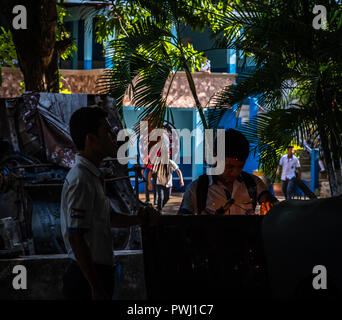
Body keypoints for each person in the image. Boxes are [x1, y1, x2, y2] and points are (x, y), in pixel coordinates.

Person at [60, 107, 157, 300]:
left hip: (96, 274)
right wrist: (95, 286)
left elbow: (107, 218)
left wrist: (137, 219)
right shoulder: (82, 179)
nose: (114, 136)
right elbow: (76, 238)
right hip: (86, 279)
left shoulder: (92, 175)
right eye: (107, 131)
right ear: (91, 139)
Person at [178, 129, 278, 215]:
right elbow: (181, 224)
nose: (235, 172)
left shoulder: (252, 183)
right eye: (229, 166)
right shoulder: (197, 188)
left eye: (240, 166)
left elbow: (270, 201)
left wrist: (271, 205)